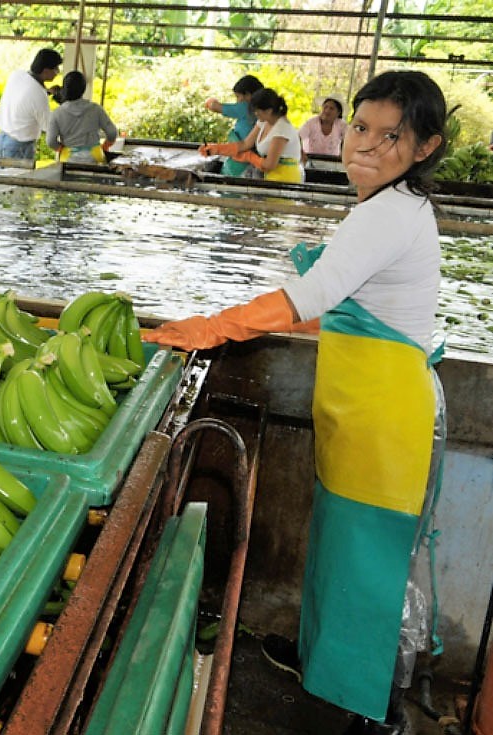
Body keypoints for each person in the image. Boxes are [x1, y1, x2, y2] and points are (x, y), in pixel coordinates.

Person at [144, 70, 449, 735]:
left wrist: (214, 326)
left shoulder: (390, 213)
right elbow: (345, 309)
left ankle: (371, 711)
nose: (364, 145)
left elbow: (308, 298)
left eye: (389, 135)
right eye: (359, 128)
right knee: (336, 548)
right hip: (357, 407)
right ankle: (319, 659)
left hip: (381, 417)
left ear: (423, 146)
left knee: (365, 563)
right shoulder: (381, 205)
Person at [199, 88, 304, 183]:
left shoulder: (282, 129)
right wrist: (216, 148)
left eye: (257, 111)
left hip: (286, 178)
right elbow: (245, 144)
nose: (255, 114)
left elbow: (269, 165)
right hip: (270, 176)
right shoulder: (263, 121)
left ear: (269, 110)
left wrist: (249, 157)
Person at [0, 48, 63, 161]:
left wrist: (47, 92)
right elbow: (48, 126)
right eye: (55, 69)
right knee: (18, 178)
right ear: (45, 71)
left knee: (3, 177)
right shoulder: (39, 95)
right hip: (19, 147)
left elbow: (25, 97)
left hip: (3, 139)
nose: (58, 72)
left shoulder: (17, 75)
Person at [46, 71, 118, 164]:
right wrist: (105, 146)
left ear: (65, 88)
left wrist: (61, 149)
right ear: (84, 89)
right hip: (95, 157)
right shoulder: (96, 109)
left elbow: (50, 142)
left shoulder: (57, 113)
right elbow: (112, 132)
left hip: (68, 159)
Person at [202, 74, 264, 176]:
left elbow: (215, 107)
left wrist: (210, 101)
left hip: (241, 159)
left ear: (248, 95)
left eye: (238, 96)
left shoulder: (246, 107)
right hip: (251, 158)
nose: (237, 101)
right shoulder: (260, 112)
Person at [300, 93, 348, 160]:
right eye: (325, 107)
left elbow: (349, 140)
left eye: (331, 108)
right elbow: (298, 137)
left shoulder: (341, 125)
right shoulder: (311, 122)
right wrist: (301, 152)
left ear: (338, 113)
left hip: (332, 161)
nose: (327, 111)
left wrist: (343, 154)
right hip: (311, 160)